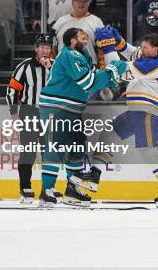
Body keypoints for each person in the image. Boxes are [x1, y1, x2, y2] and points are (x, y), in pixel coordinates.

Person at [37, 27, 125, 207]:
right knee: (56, 147)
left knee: (77, 147)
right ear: (72, 41)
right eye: (82, 38)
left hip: (72, 109)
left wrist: (109, 75)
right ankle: (46, 191)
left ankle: (72, 191)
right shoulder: (71, 55)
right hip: (57, 106)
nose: (86, 41)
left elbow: (94, 80)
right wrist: (112, 71)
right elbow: (88, 82)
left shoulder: (83, 57)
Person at [94, 28, 158, 208]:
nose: (142, 50)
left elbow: (118, 71)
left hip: (150, 111)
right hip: (137, 110)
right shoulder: (152, 54)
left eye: (146, 48)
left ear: (155, 50)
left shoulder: (149, 65)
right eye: (143, 46)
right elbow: (132, 52)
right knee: (108, 135)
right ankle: (93, 176)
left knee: (148, 149)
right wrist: (118, 40)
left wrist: (109, 48)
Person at [6, 33, 55, 204]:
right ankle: (25, 187)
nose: (45, 50)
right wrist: (14, 113)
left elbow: (62, 87)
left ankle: (47, 189)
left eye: (48, 47)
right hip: (29, 111)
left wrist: (49, 68)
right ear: (36, 48)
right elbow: (12, 90)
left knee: (49, 153)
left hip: (50, 113)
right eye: (41, 46)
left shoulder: (56, 67)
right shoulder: (24, 66)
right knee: (28, 151)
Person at [52, 0, 104, 66]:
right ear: (72, 2)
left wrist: (102, 69)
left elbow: (102, 50)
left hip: (88, 68)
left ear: (88, 3)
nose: (81, 4)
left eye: (84, 1)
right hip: (64, 68)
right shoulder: (60, 22)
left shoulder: (97, 22)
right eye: (78, 1)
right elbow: (53, 49)